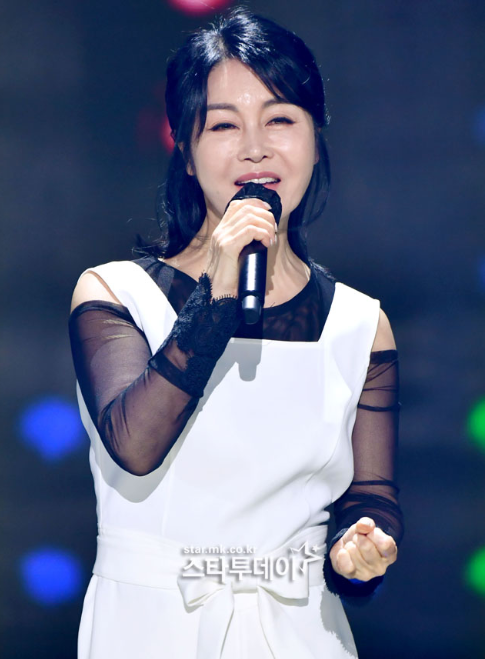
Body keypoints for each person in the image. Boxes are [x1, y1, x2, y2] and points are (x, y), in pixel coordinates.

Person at [69, 7, 403, 659]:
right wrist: (218, 295)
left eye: (280, 119)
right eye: (224, 125)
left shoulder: (359, 323)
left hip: (302, 634)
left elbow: (370, 497)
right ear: (187, 151)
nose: (255, 148)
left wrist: (361, 549)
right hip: (151, 629)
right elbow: (134, 446)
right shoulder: (116, 294)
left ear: (314, 138)